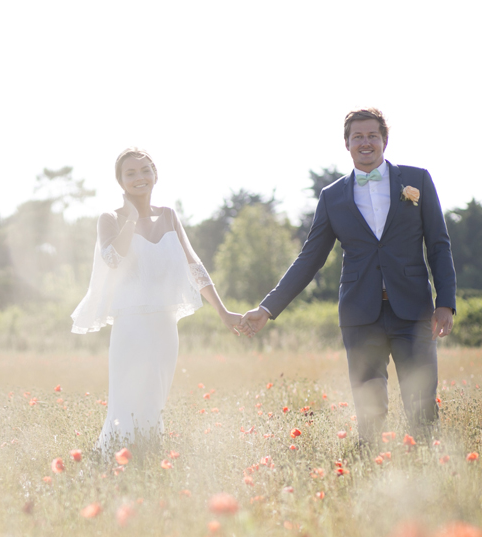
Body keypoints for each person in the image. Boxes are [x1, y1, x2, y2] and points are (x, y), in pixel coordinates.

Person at [239, 108, 456, 446]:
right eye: (358, 137)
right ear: (347, 143)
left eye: (372, 136)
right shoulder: (332, 196)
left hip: (414, 311)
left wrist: (446, 302)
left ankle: (427, 465)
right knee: (370, 408)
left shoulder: (419, 180)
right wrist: (267, 308)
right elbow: (309, 259)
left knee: (422, 403)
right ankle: (370, 467)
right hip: (360, 315)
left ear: (384, 140)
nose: (365, 142)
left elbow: (439, 245)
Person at [72, 147, 242, 456]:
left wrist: (223, 311)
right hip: (130, 326)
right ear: (120, 181)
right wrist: (131, 218)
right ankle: (111, 460)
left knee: (154, 399)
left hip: (164, 325)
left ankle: (146, 461)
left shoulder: (169, 216)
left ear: (155, 175)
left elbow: (194, 265)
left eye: (145, 170)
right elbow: (113, 259)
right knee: (125, 399)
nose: (139, 177)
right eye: (130, 173)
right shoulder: (110, 218)